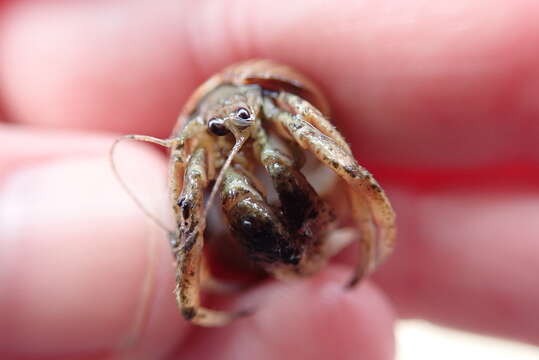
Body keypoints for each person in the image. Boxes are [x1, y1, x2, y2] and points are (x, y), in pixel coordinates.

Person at [1, 1, 538, 359]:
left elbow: (344, 165)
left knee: (283, 168)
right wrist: (193, 298)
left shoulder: (273, 109)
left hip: (269, 113)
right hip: (227, 166)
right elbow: (191, 212)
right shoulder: (202, 149)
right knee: (235, 198)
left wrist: (363, 201)